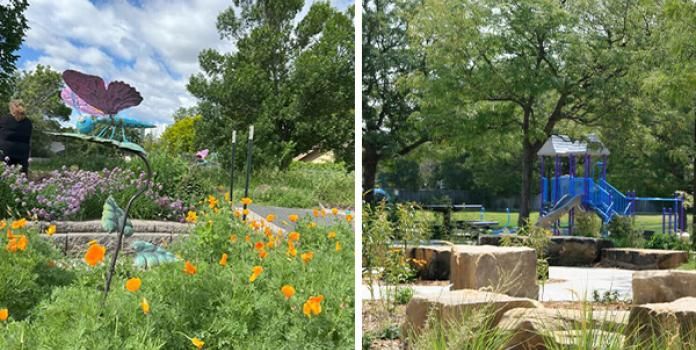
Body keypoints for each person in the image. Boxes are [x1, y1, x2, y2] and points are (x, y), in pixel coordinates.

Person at [0, 99, 33, 173]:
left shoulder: (4, 119)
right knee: (21, 178)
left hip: (5, 152)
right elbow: (29, 140)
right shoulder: (28, 122)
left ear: (11, 108)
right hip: (22, 153)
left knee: (4, 176)